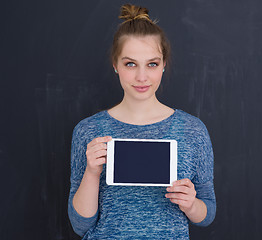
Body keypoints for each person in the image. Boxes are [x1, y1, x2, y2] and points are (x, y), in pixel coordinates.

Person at [68, 3, 216, 239]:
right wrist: (92, 173)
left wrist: (191, 204)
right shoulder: (89, 130)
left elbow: (207, 214)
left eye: (152, 64)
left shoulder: (192, 130)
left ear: (163, 65)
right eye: (130, 64)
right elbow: (80, 225)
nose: (142, 77)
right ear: (115, 65)